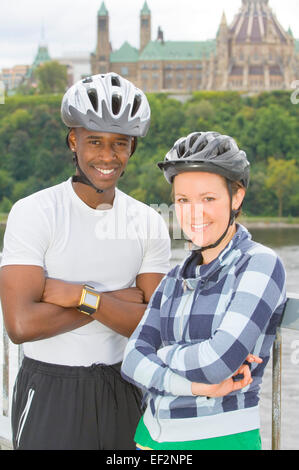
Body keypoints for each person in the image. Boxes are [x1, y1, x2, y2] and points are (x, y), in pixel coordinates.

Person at [0, 73, 171, 450]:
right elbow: (21, 324)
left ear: (132, 148)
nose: (107, 156)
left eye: (120, 144)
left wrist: (79, 295)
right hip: (49, 391)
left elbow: (153, 326)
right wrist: (118, 301)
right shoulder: (34, 212)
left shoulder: (148, 221)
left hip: (124, 389)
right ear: (73, 140)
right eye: (95, 141)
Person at [121, 131, 287, 450]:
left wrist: (161, 353)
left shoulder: (259, 264)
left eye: (208, 199)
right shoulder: (172, 278)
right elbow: (131, 361)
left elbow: (217, 363)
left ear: (236, 197)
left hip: (221, 439)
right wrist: (200, 388)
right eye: (183, 200)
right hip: (149, 438)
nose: (194, 213)